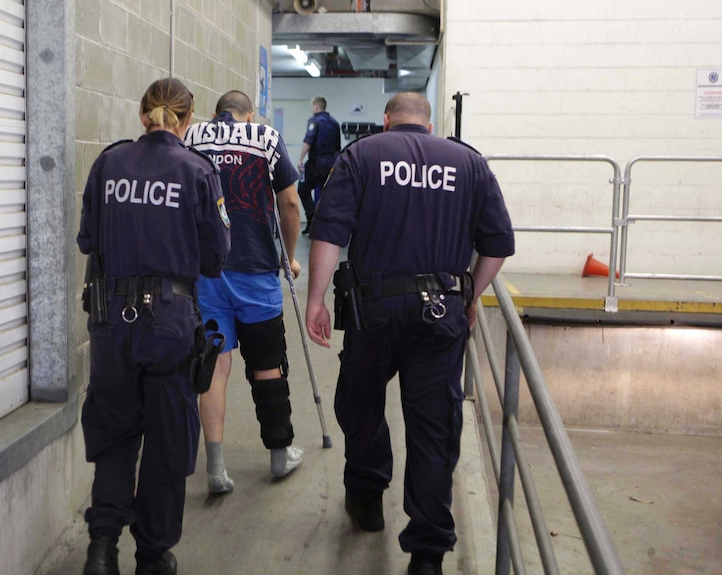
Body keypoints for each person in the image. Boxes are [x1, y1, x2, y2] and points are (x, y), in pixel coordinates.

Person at [304, 92, 514, 575]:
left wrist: (315, 300)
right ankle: (427, 552)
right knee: (433, 426)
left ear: (386, 120)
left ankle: (367, 496)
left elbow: (329, 233)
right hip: (441, 310)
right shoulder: (468, 162)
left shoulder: (361, 155)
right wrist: (470, 295)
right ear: (430, 122)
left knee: (360, 402)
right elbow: (499, 244)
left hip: (372, 308)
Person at [77, 78, 231, 575]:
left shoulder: (108, 164)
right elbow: (215, 257)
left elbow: (88, 240)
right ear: (186, 121)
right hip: (168, 324)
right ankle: (153, 555)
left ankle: (102, 548)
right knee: (168, 443)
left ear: (142, 115)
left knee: (116, 435)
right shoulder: (197, 171)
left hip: (110, 325)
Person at [185, 90, 305, 495]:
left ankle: (216, 469)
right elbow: (289, 203)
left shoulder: (193, 136)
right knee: (267, 363)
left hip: (207, 271)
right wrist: (289, 257)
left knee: (214, 366)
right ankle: (278, 453)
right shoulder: (266, 137)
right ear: (249, 114)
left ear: (215, 112)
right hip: (255, 269)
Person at [297, 96, 341, 234]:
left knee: (303, 189)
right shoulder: (334, 123)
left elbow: (308, 141)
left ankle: (311, 220)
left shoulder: (314, 121)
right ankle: (324, 225)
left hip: (316, 163)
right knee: (326, 194)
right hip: (330, 164)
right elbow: (337, 147)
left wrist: (300, 159)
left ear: (316, 107)